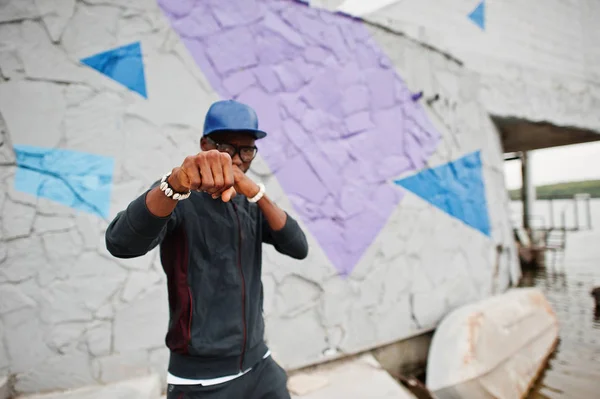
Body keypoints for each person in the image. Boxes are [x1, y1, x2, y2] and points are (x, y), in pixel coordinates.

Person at [105, 100, 309, 398]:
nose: (238, 160)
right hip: (202, 381)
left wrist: (256, 192)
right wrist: (173, 185)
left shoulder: (248, 203)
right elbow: (120, 243)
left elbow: (298, 247)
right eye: (228, 148)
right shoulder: (178, 196)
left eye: (247, 150)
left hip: (260, 366)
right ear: (205, 144)